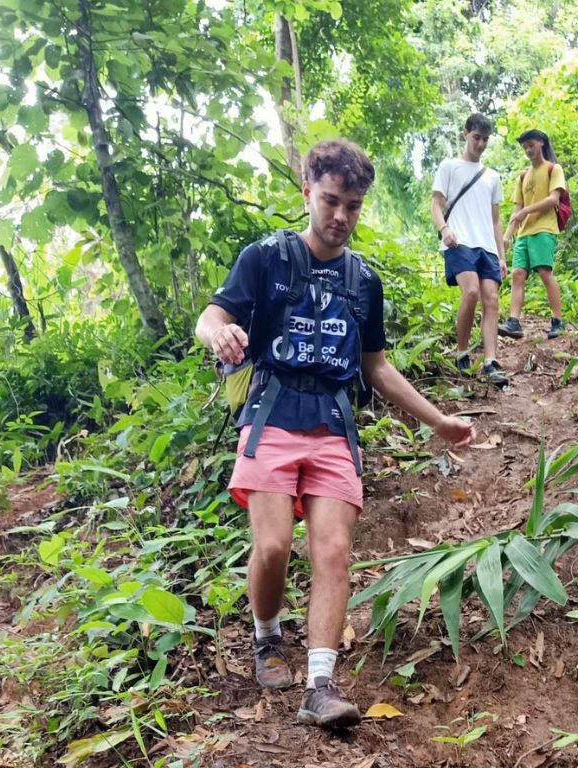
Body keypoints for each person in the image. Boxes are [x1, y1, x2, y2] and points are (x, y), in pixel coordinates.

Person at [195, 139, 475, 730]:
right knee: (273, 546)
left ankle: (320, 686)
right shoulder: (266, 257)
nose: (341, 216)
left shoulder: (363, 281)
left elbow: (377, 367)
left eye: (352, 205)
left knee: (333, 551)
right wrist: (217, 335)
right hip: (272, 413)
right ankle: (267, 637)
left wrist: (438, 419)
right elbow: (213, 315)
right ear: (307, 193)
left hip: (332, 425)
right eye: (330, 201)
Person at [431, 113, 509, 387]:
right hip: (458, 241)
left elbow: (496, 220)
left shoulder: (492, 177)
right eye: (476, 137)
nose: (481, 144)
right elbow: (436, 204)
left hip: (486, 246)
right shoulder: (449, 166)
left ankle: (491, 362)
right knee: (472, 291)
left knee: (492, 299)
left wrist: (502, 256)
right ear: (465, 134)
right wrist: (444, 229)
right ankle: (462, 352)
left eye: (485, 139)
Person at [498, 129, 566, 341]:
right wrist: (507, 236)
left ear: (541, 144)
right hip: (524, 233)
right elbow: (517, 210)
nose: (528, 150)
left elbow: (554, 199)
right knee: (518, 274)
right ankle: (514, 322)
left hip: (544, 229)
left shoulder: (553, 169)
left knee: (545, 272)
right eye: (525, 146)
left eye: (531, 145)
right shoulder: (523, 176)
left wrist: (527, 210)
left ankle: (558, 321)